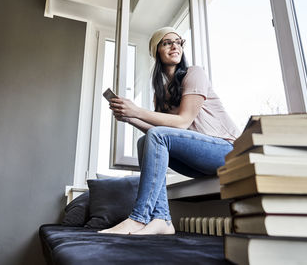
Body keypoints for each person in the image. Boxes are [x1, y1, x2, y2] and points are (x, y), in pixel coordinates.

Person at [100, 27, 240, 235]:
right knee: (145, 140)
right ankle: (162, 218)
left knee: (154, 136)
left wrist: (137, 110)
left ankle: (139, 218)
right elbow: (159, 133)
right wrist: (130, 118)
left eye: (178, 42)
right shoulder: (161, 94)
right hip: (199, 159)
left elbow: (183, 122)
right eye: (167, 42)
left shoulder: (195, 73)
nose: (175, 46)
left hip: (226, 152)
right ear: (156, 51)